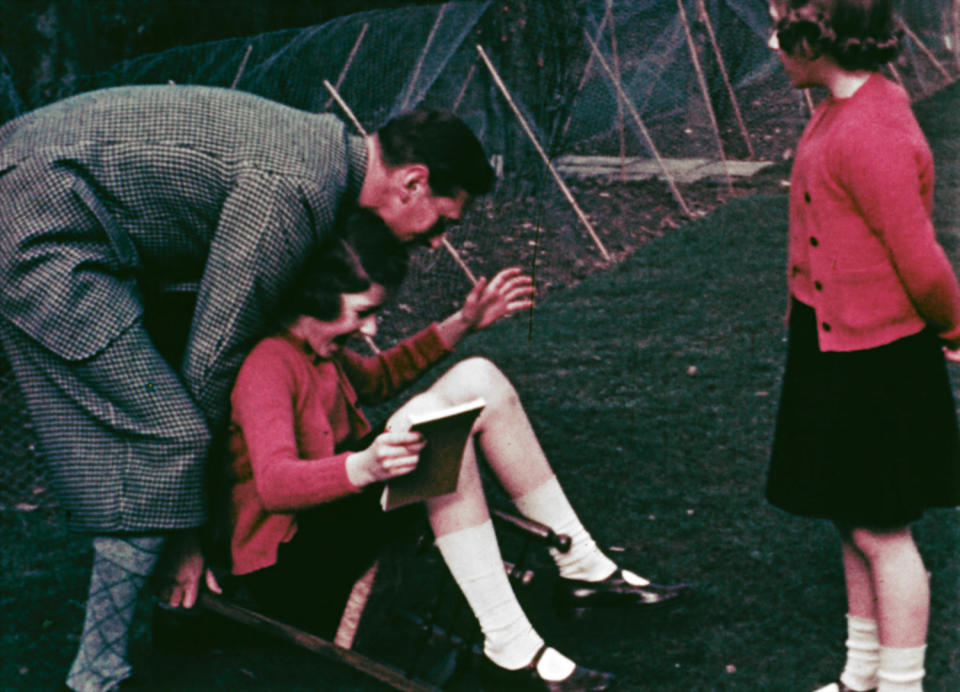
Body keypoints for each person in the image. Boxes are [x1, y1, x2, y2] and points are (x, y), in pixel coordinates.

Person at [0, 84, 493, 692]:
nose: (439, 239)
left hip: (61, 205)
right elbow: (216, 354)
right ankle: (97, 674)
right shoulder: (296, 189)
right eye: (444, 220)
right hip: (39, 226)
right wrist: (188, 535)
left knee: (163, 436)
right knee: (168, 437)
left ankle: (165, 611)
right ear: (413, 182)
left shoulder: (321, 156)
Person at [226, 210, 688, 691]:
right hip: (292, 565)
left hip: (334, 521)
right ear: (316, 298)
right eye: (363, 312)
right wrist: (364, 465)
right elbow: (275, 486)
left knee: (478, 376)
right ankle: (509, 646)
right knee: (430, 426)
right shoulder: (269, 365)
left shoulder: (321, 352)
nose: (370, 328)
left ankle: (583, 567)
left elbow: (382, 377)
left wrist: (464, 322)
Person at [764, 2, 960, 691]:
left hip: (877, 359)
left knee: (884, 534)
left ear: (815, 40)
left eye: (780, 26)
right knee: (850, 517)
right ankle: (860, 675)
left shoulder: (869, 128)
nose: (771, 41)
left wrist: (955, 328)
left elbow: (921, 258)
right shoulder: (840, 106)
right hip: (831, 346)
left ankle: (901, 684)